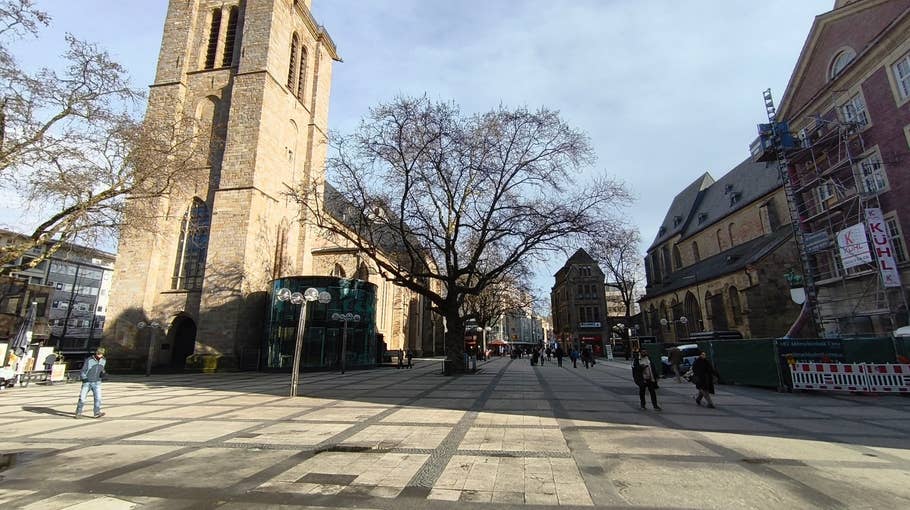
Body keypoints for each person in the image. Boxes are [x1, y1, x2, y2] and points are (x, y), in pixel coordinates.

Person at [75, 347, 107, 419]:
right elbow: (83, 370)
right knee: (82, 398)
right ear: (96, 353)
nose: (99, 355)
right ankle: (78, 412)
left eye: (101, 354)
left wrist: (103, 374)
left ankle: (97, 412)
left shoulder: (104, 360)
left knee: (98, 398)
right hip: (87, 382)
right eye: (98, 354)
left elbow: (102, 369)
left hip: (97, 382)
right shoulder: (89, 360)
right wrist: (84, 378)